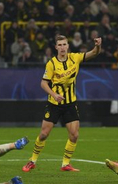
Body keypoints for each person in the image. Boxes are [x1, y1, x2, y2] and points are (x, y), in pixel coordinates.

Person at [22, 35, 102, 173]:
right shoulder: (51, 64)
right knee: (44, 134)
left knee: (74, 135)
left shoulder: (75, 58)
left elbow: (94, 53)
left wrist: (98, 45)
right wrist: (54, 94)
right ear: (56, 47)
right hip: (54, 103)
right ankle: (32, 161)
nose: (62, 47)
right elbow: (43, 83)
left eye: (64, 44)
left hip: (70, 103)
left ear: (68, 46)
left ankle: (65, 164)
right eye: (59, 45)